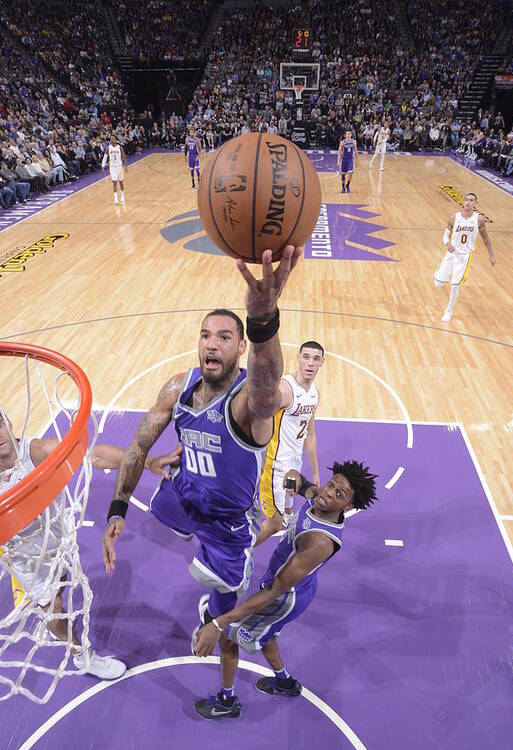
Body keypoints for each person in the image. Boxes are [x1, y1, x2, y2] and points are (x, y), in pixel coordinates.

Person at [102, 246, 304, 646]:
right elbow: (138, 448)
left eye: (225, 337)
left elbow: (267, 389)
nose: (212, 344)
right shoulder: (179, 386)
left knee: (227, 592)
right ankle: (184, 518)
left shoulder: (249, 401)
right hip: (185, 494)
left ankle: (210, 613)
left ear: (241, 348)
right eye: (206, 335)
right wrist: (117, 509)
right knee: (162, 482)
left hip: (229, 522)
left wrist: (263, 320)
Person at [193, 460, 378, 719]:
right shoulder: (321, 499)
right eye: (331, 484)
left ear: (348, 506)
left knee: (228, 637)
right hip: (293, 585)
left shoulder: (319, 541)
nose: (328, 492)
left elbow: (273, 592)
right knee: (268, 635)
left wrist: (218, 624)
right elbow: (306, 486)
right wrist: (295, 477)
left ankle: (227, 701)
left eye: (339, 494)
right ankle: (284, 682)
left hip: (285, 596)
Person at [0, 412, 175, 679]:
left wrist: (146, 460)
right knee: (54, 610)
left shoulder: (33, 452)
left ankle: (44, 604)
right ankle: (82, 654)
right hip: (24, 557)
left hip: (55, 539)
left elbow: (94, 456)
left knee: (61, 581)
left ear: (9, 422)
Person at [258, 341, 324, 545]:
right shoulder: (285, 389)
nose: (310, 363)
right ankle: (235, 555)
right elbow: (257, 415)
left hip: (294, 464)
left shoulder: (314, 394)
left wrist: (315, 471)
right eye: (306, 357)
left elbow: (310, 436)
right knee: (273, 524)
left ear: (322, 362)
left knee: (288, 505)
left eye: (315, 358)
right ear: (298, 358)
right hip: (275, 465)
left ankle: (285, 512)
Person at [434, 192, 495, 323]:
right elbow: (445, 236)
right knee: (438, 283)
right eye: (466, 199)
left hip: (465, 255)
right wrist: (447, 243)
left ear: (475, 204)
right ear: (463, 201)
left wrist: (491, 254)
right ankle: (438, 275)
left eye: (471, 200)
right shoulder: (454, 218)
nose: (468, 202)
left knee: (455, 284)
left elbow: (486, 239)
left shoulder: (479, 220)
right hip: (451, 252)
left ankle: (448, 311)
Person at [101, 133, 127, 205]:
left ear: (116, 139)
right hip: (112, 167)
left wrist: (126, 166)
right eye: (111, 138)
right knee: (114, 182)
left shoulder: (119, 147)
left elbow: (124, 157)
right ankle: (116, 199)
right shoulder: (108, 148)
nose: (112, 140)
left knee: (121, 182)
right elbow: (105, 158)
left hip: (119, 166)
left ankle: (122, 196)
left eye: (113, 138)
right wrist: (102, 166)